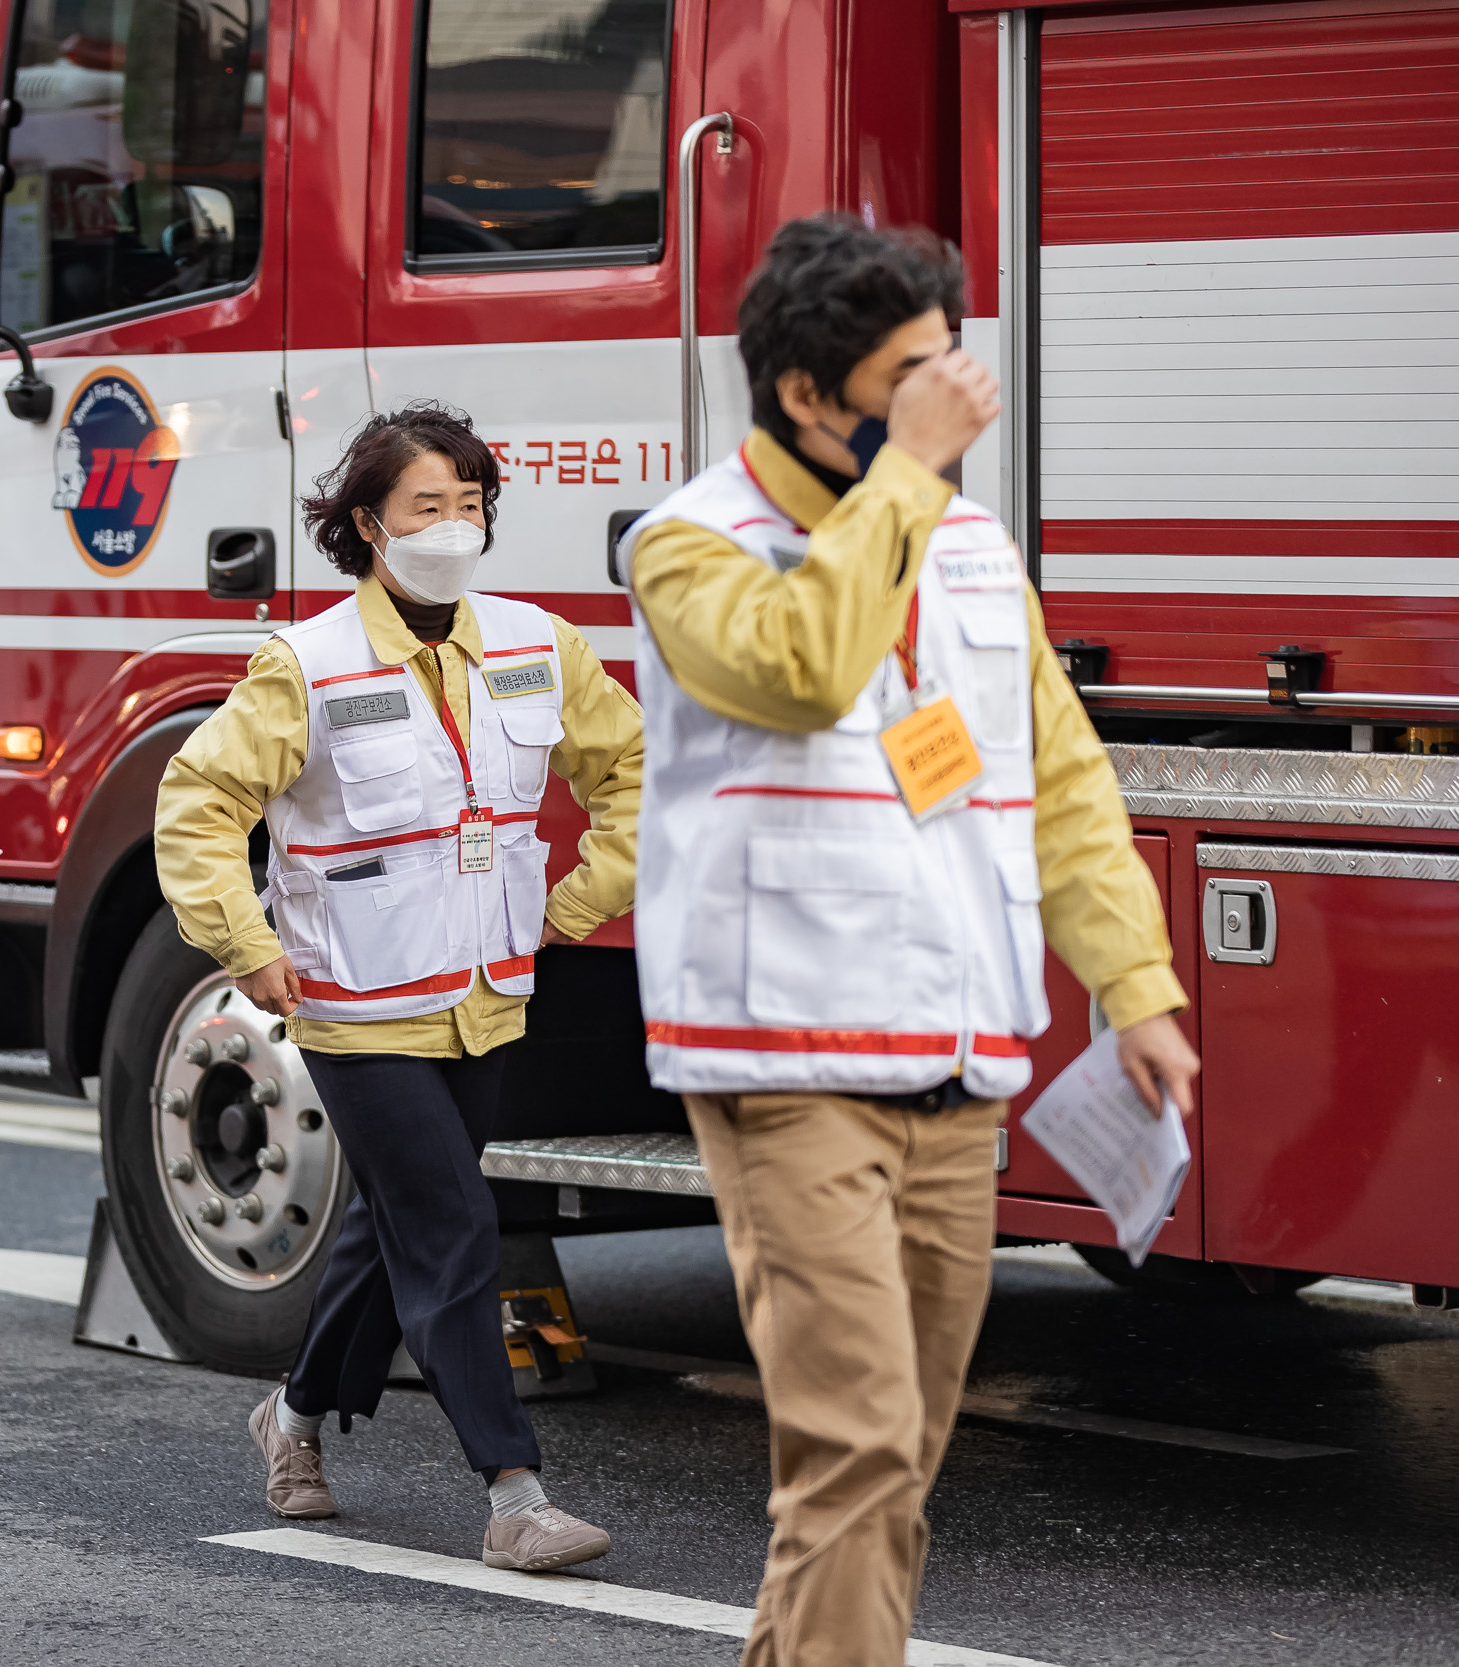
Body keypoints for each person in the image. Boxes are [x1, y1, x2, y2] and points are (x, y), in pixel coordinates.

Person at [620, 214, 1200, 1667]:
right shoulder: (688, 545)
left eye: (955, 355)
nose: (961, 389)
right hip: (786, 1061)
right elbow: (808, 669)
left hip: (957, 1060)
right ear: (814, 397)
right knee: (860, 1448)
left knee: (893, 1466)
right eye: (917, 370)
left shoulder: (966, 542)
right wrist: (906, 477)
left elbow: (1059, 781)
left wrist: (1137, 988)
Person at [156, 402, 644, 1572]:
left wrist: (571, 904)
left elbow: (629, 764)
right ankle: (515, 1492)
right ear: (369, 524)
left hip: (482, 995)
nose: (454, 525)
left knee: (394, 1227)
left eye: (470, 503)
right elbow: (197, 802)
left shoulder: (536, 642)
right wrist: (244, 942)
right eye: (428, 504)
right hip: (354, 1003)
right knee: (453, 1222)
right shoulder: (308, 663)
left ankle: (295, 1415)